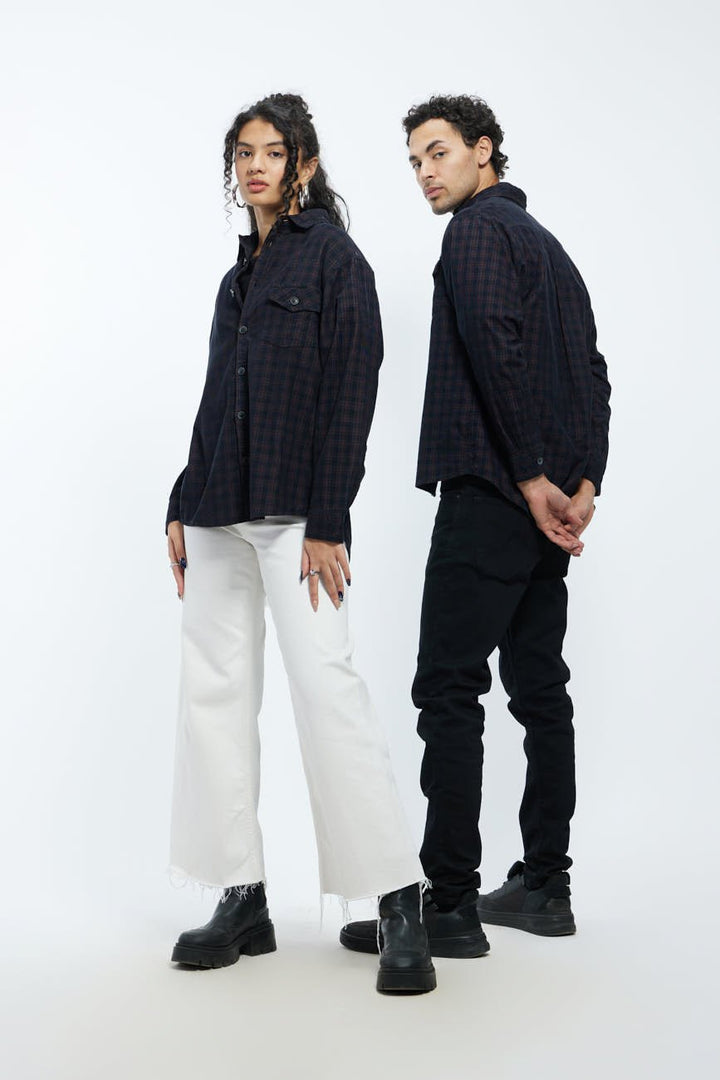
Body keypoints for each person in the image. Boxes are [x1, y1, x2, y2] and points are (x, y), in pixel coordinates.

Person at [165, 92, 435, 995]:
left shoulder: (335, 261)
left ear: (304, 164)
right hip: (217, 510)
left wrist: (329, 519)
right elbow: (214, 398)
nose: (255, 166)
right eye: (243, 152)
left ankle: (397, 898)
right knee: (213, 696)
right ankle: (242, 896)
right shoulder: (235, 279)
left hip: (295, 518)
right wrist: (180, 500)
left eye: (272, 152)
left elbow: (352, 392)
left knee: (327, 689)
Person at [340, 94, 610, 958]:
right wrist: (584, 483)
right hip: (541, 509)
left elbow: (497, 347)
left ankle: (450, 905)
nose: (425, 172)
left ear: (483, 151)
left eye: (439, 152)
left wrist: (531, 477)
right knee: (540, 692)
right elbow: (593, 374)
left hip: (494, 494)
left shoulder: (476, 234)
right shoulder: (552, 250)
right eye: (415, 161)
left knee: (449, 691)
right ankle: (546, 886)